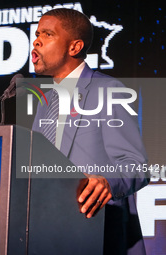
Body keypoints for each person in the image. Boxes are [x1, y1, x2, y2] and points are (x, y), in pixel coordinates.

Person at [31, 8, 149, 255]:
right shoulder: (44, 104)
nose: (37, 41)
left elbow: (137, 167)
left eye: (48, 34)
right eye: (37, 33)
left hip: (98, 234)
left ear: (74, 47)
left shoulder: (108, 90)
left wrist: (107, 182)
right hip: (48, 235)